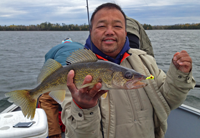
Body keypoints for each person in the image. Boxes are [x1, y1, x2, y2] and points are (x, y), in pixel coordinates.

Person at [61, 2, 196, 138]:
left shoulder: (146, 61)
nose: (109, 31)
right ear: (90, 32)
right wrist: (83, 108)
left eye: (117, 26)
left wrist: (179, 75)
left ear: (125, 32)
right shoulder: (72, 75)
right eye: (102, 26)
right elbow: (75, 135)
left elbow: (168, 101)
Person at [38, 39, 83, 138]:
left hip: (59, 75)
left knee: (47, 101)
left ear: (62, 43)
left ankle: (54, 134)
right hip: (78, 78)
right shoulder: (80, 45)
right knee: (77, 102)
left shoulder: (55, 48)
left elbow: (47, 65)